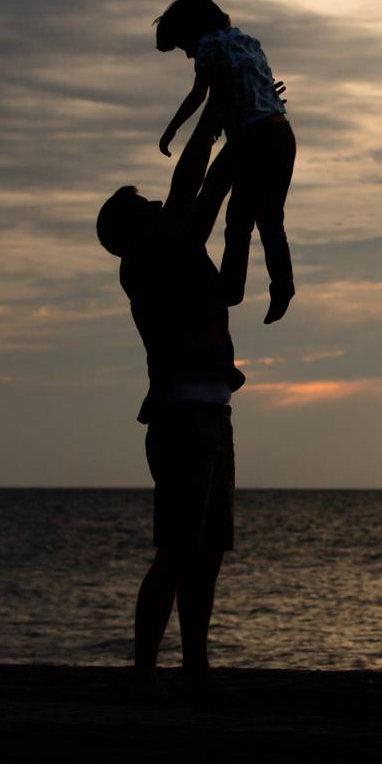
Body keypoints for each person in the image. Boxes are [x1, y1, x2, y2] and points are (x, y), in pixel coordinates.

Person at [96, 119, 245, 701]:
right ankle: (143, 673)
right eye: (145, 203)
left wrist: (242, 129)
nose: (158, 202)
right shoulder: (146, 261)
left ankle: (194, 667)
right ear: (134, 228)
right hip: (183, 422)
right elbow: (190, 188)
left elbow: (209, 192)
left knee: (207, 553)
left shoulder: (178, 247)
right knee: (179, 551)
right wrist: (209, 127)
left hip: (213, 416)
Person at [154, 0, 297, 324]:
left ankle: (233, 286)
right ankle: (280, 285)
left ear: (191, 33)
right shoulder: (248, 42)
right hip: (281, 134)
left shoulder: (209, 47)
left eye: (183, 47)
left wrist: (172, 129)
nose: (189, 56)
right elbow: (244, 91)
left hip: (252, 139)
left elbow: (201, 95)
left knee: (233, 212)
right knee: (266, 217)